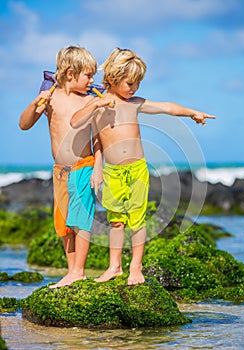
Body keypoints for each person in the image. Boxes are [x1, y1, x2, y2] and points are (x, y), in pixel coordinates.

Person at [70, 47, 216, 286]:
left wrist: (193, 113)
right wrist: (96, 106)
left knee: (137, 220)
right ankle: (114, 267)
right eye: (130, 83)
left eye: (137, 83)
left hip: (137, 169)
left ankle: (135, 268)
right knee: (116, 221)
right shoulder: (98, 105)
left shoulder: (134, 104)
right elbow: (76, 123)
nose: (134, 88)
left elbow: (167, 107)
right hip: (113, 172)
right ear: (113, 79)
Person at [19, 45, 105, 288]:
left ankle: (79, 270)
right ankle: (71, 272)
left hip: (84, 166)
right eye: (88, 75)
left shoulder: (90, 100)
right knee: (65, 223)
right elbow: (24, 124)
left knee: (82, 220)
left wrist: (98, 166)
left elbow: (97, 138)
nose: (92, 81)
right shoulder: (51, 98)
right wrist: (36, 102)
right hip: (60, 171)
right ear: (70, 74)